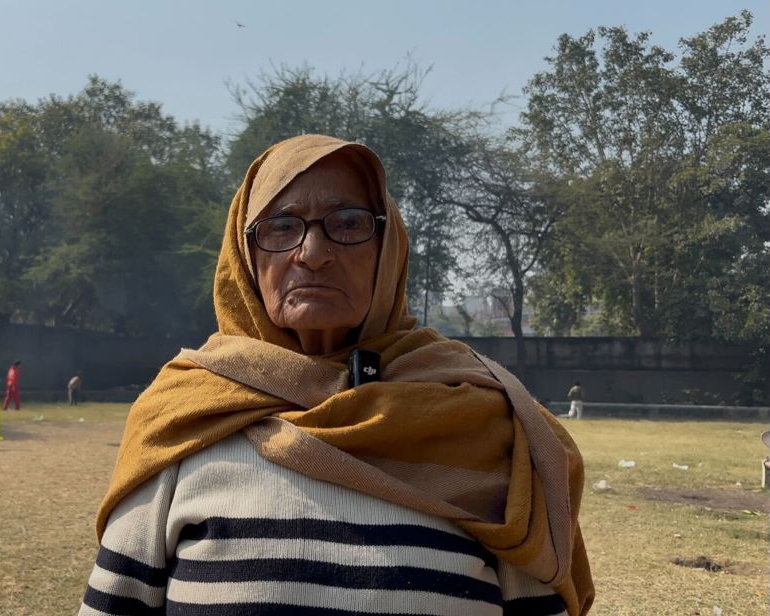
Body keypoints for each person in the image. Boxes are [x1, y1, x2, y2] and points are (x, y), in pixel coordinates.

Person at [79, 135, 593, 615]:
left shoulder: (485, 426)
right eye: (281, 227)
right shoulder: (184, 419)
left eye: (347, 223)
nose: (313, 253)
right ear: (245, 257)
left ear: (387, 250)